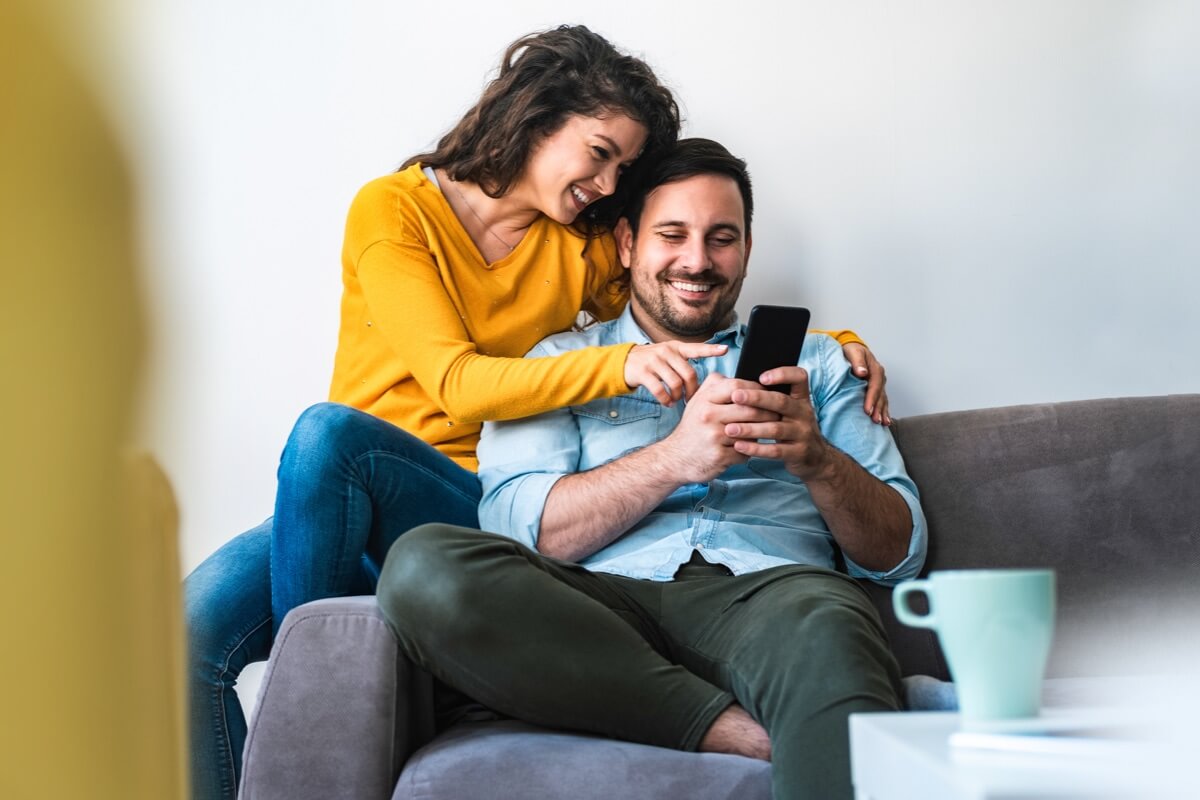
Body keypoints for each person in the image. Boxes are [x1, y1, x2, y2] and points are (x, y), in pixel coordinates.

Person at [184, 27, 888, 800]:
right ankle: (318, 712)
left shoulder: (580, 248)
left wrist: (833, 348)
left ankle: (344, 697)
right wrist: (616, 365)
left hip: (468, 495)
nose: (607, 180)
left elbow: (684, 295)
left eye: (623, 167)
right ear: (535, 115)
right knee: (197, 629)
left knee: (350, 475)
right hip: (361, 483)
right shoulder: (395, 212)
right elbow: (458, 383)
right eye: (599, 153)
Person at [376, 138, 928, 799]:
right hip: (597, 608)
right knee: (422, 567)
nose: (697, 261)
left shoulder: (826, 367)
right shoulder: (554, 363)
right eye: (673, 235)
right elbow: (523, 531)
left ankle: (672, 709)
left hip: (776, 599)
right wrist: (673, 460)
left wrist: (817, 459)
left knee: (832, 631)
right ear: (627, 243)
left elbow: (898, 555)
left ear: (747, 251)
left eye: (722, 238)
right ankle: (731, 731)